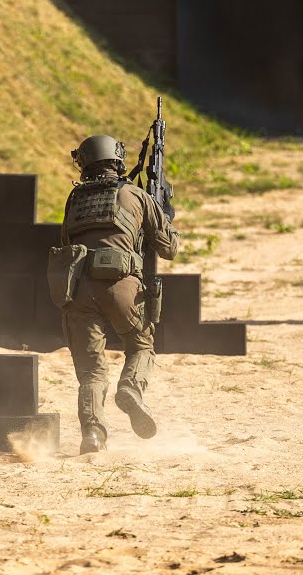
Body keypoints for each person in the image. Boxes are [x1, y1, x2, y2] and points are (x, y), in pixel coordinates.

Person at [58, 134, 178, 455]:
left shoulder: (74, 200)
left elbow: (66, 242)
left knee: (91, 372)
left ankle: (93, 434)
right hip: (123, 286)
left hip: (78, 291)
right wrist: (166, 215)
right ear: (117, 159)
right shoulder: (135, 194)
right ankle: (130, 389)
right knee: (140, 345)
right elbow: (169, 248)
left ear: (84, 164)